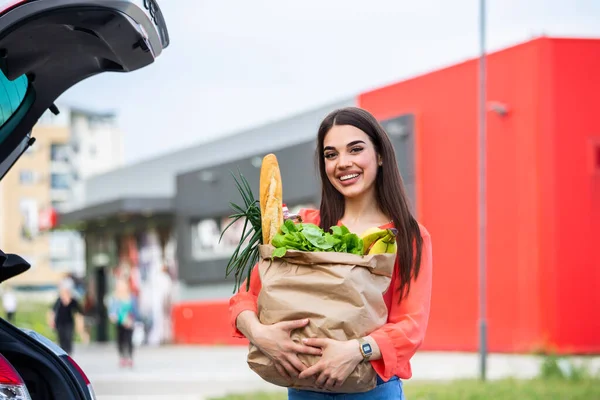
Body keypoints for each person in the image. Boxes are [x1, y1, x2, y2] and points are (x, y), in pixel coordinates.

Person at [229, 107, 433, 399]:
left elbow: (410, 326)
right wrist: (260, 334)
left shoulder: (408, 237)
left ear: (380, 155)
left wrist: (356, 350)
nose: (343, 163)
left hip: (370, 392)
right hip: (303, 391)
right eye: (331, 154)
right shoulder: (305, 227)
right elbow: (245, 297)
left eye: (355, 149)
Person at [48, 278, 88, 355]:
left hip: (69, 322)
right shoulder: (59, 300)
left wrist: (81, 325)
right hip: (59, 322)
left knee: (68, 337)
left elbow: (79, 312)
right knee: (61, 338)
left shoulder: (73, 301)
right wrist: (51, 321)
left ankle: (68, 354)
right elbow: (53, 311)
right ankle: (62, 353)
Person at [109, 278, 138, 367]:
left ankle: (129, 356)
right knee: (120, 340)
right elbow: (112, 311)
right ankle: (122, 357)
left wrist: (131, 319)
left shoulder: (131, 297)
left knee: (129, 340)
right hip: (120, 323)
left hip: (129, 323)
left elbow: (135, 311)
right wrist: (113, 316)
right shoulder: (115, 298)